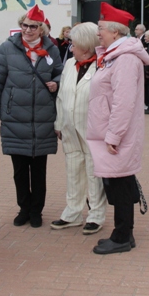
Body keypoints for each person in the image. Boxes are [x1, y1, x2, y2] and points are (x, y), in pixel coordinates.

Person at [0, 5, 63, 228]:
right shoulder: (6, 49)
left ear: (42, 29)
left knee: (39, 170)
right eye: (24, 25)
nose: (27, 30)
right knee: (19, 169)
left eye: (33, 26)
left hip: (43, 117)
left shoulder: (52, 50)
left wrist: (56, 83)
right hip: (14, 118)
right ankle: (24, 208)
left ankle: (37, 210)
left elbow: (60, 73)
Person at [87, 3, 149, 254]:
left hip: (117, 135)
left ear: (114, 32)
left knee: (121, 185)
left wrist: (113, 135)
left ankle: (122, 235)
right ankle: (124, 233)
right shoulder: (115, 55)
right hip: (112, 133)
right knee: (118, 182)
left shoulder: (124, 59)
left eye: (101, 28)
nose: (98, 33)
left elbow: (123, 102)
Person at [51, 22, 107, 233]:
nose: (71, 47)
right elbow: (61, 96)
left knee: (94, 172)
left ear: (85, 45)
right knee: (73, 170)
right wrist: (58, 123)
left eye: (74, 44)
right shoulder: (69, 64)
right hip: (69, 127)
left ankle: (96, 214)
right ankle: (72, 212)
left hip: (92, 128)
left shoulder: (102, 65)